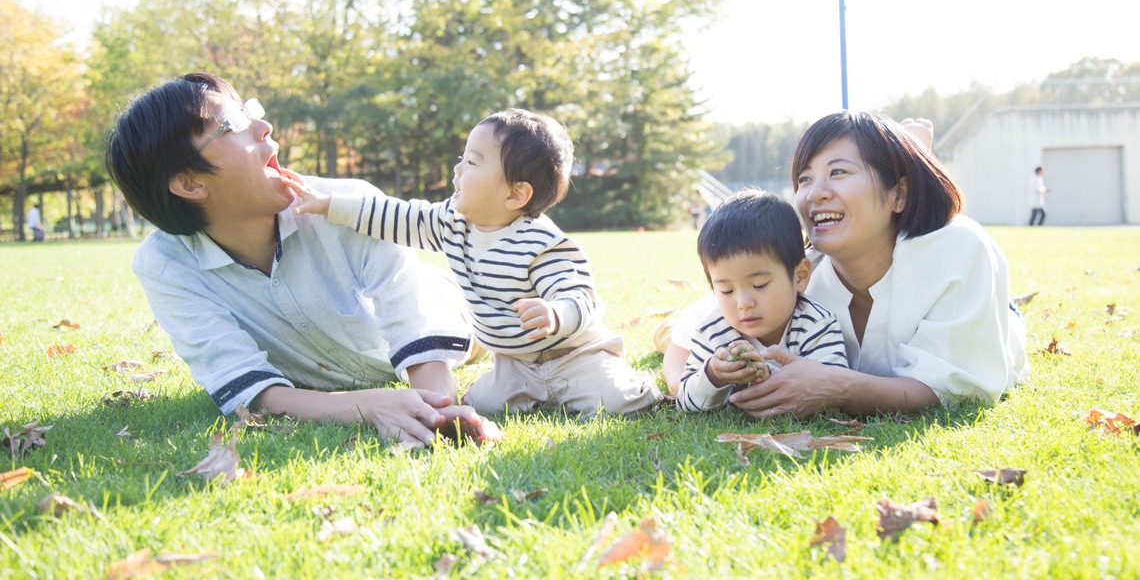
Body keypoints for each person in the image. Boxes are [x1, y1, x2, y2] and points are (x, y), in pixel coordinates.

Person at [104, 72, 496, 449]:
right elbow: (247, 388)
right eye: (233, 124)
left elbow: (417, 326)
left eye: (250, 111)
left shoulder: (350, 206)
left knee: (502, 326)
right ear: (190, 183)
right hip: (354, 365)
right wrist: (368, 405)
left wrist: (437, 410)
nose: (263, 126)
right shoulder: (166, 265)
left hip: (462, 313)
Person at [283, 108, 662, 417]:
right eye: (461, 159)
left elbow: (579, 294)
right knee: (482, 405)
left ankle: (634, 382)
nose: (457, 170)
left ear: (516, 194)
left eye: (472, 162)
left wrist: (555, 313)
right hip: (514, 362)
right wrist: (332, 204)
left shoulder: (541, 242)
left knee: (617, 402)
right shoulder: (453, 223)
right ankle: (533, 394)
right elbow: (396, 216)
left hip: (573, 356)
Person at [662, 111, 1028, 417]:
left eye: (838, 172)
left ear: (898, 193)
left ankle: (914, 156)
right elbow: (687, 338)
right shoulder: (795, 275)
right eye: (804, 179)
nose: (815, 192)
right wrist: (689, 383)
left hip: (990, 316)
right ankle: (906, 155)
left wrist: (838, 387)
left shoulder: (960, 250)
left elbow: (960, 389)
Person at [676, 189, 847, 412]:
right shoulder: (712, 331)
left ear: (800, 276)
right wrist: (712, 376)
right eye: (726, 290)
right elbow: (684, 404)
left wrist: (768, 376)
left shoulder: (815, 326)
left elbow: (833, 397)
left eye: (759, 285)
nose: (743, 303)